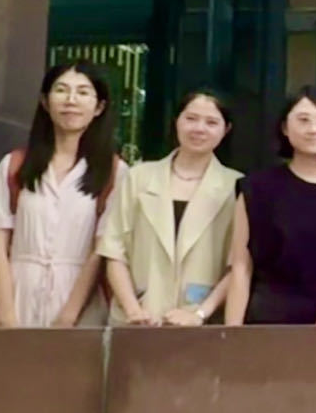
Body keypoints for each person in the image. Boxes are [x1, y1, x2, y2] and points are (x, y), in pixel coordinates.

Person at [0, 61, 122, 328]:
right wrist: (6, 317)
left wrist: (68, 317)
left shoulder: (114, 173)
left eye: (83, 92)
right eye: (61, 90)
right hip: (16, 292)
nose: (71, 100)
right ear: (45, 101)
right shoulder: (15, 165)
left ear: (99, 107)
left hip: (79, 303)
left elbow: (100, 251)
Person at [225, 86, 316, 325]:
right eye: (303, 120)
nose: (314, 129)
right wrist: (232, 333)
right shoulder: (256, 189)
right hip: (269, 322)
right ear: (285, 127)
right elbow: (241, 268)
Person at [96, 88, 240, 326]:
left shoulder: (237, 187)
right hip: (137, 320)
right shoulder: (138, 178)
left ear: (226, 129)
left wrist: (199, 314)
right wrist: (133, 309)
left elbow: (238, 265)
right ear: (176, 121)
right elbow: (114, 251)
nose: (199, 129)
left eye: (211, 122)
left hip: (200, 326)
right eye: (191, 118)